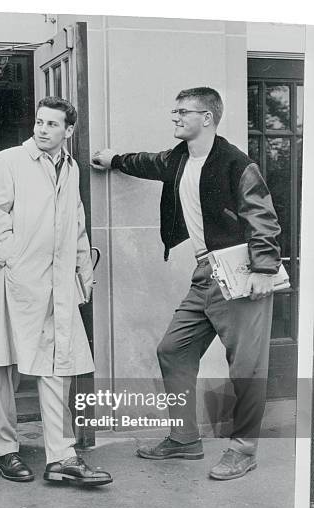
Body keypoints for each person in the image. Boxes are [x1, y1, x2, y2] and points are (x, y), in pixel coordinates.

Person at [91, 87, 281, 480]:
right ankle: (183, 439)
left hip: (242, 275)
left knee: (246, 367)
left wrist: (264, 270)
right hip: (205, 275)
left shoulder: (235, 163)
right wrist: (114, 160)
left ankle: (243, 450)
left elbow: (262, 217)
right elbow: (148, 161)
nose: (174, 118)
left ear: (207, 118)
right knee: (173, 350)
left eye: (183, 112)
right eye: (174, 111)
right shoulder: (180, 158)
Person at [0, 96, 112, 487]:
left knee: (59, 364)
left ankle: (62, 455)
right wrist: (12, 258)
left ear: (68, 131)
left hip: (57, 283)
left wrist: (83, 275)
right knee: (4, 364)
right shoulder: (9, 161)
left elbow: (77, 224)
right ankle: (4, 450)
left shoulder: (69, 168)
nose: (42, 129)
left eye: (52, 124)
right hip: (13, 278)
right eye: (39, 122)